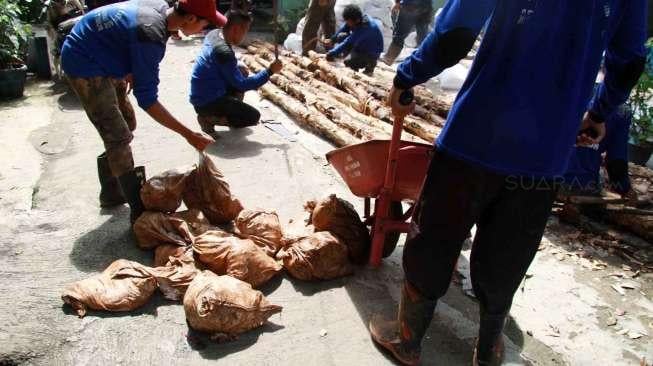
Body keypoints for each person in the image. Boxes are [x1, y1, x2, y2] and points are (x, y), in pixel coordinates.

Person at [371, 1, 647, 365]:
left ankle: (407, 340)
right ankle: (487, 352)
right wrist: (599, 112)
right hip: (544, 157)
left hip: (472, 140)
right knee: (509, 251)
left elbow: (455, 33)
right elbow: (629, 61)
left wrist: (406, 76)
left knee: (436, 236)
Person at [61, 0, 224, 222]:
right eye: (204, 25)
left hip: (101, 49)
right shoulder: (149, 35)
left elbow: (126, 33)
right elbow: (147, 100)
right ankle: (138, 213)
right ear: (190, 18)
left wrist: (130, 66)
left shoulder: (161, 8)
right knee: (118, 136)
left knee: (127, 123)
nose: (204, 31)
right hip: (83, 61)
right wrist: (189, 135)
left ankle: (112, 190)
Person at [190, 10, 283, 134]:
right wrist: (269, 71)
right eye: (245, 30)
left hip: (202, 94)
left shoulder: (214, 33)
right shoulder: (223, 52)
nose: (245, 35)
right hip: (206, 102)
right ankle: (208, 119)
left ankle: (229, 110)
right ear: (236, 29)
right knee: (253, 117)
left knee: (241, 71)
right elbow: (242, 84)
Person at [562, 104, 637, 202]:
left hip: (541, 177)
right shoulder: (621, 110)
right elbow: (616, 161)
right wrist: (625, 189)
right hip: (580, 185)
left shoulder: (566, 92)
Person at [323, 4, 384, 75]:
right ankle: (351, 59)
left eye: (348, 21)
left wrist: (331, 53)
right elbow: (344, 29)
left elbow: (348, 42)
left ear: (356, 20)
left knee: (347, 62)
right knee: (341, 36)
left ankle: (370, 65)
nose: (347, 23)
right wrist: (332, 40)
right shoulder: (357, 19)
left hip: (371, 53)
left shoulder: (366, 27)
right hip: (361, 45)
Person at [380, 0, 433, 65]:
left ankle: (388, 58)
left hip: (411, 5)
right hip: (426, 6)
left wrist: (397, 2)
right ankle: (423, 63)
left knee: (400, 34)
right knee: (423, 37)